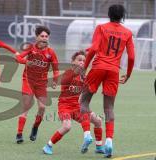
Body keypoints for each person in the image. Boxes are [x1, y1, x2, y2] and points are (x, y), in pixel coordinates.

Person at [79, 4, 135, 158]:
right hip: (113, 72)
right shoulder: (128, 33)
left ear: (109, 14)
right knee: (109, 108)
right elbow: (131, 57)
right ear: (122, 16)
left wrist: (84, 67)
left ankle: (87, 135)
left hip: (97, 68)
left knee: (83, 103)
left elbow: (95, 48)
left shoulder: (101, 28)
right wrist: (128, 74)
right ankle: (108, 141)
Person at [42, 51, 104, 155]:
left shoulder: (83, 77)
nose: (82, 62)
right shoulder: (68, 73)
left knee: (97, 121)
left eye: (84, 61)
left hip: (76, 106)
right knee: (67, 126)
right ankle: (48, 146)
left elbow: (89, 90)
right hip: (64, 106)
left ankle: (98, 146)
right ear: (72, 62)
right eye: (79, 60)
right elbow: (65, 80)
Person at [15, 26, 59, 144]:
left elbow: (56, 68)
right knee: (27, 105)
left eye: (46, 36)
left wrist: (55, 80)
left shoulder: (51, 52)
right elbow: (18, 58)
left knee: (42, 107)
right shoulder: (31, 48)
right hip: (28, 80)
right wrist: (26, 62)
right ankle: (19, 133)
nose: (44, 38)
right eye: (42, 36)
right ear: (37, 37)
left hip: (41, 83)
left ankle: (35, 127)